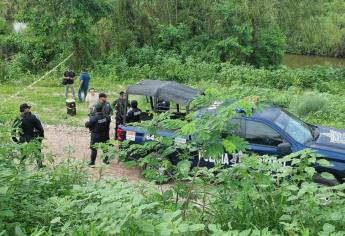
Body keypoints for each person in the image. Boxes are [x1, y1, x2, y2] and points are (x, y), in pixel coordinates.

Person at [12, 103, 45, 167]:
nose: (29, 110)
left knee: (23, 155)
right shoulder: (33, 117)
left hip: (22, 138)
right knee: (37, 152)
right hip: (33, 138)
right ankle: (40, 165)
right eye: (28, 108)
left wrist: (15, 140)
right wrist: (41, 138)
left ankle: (21, 168)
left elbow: (13, 130)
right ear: (25, 109)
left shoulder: (18, 118)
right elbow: (40, 129)